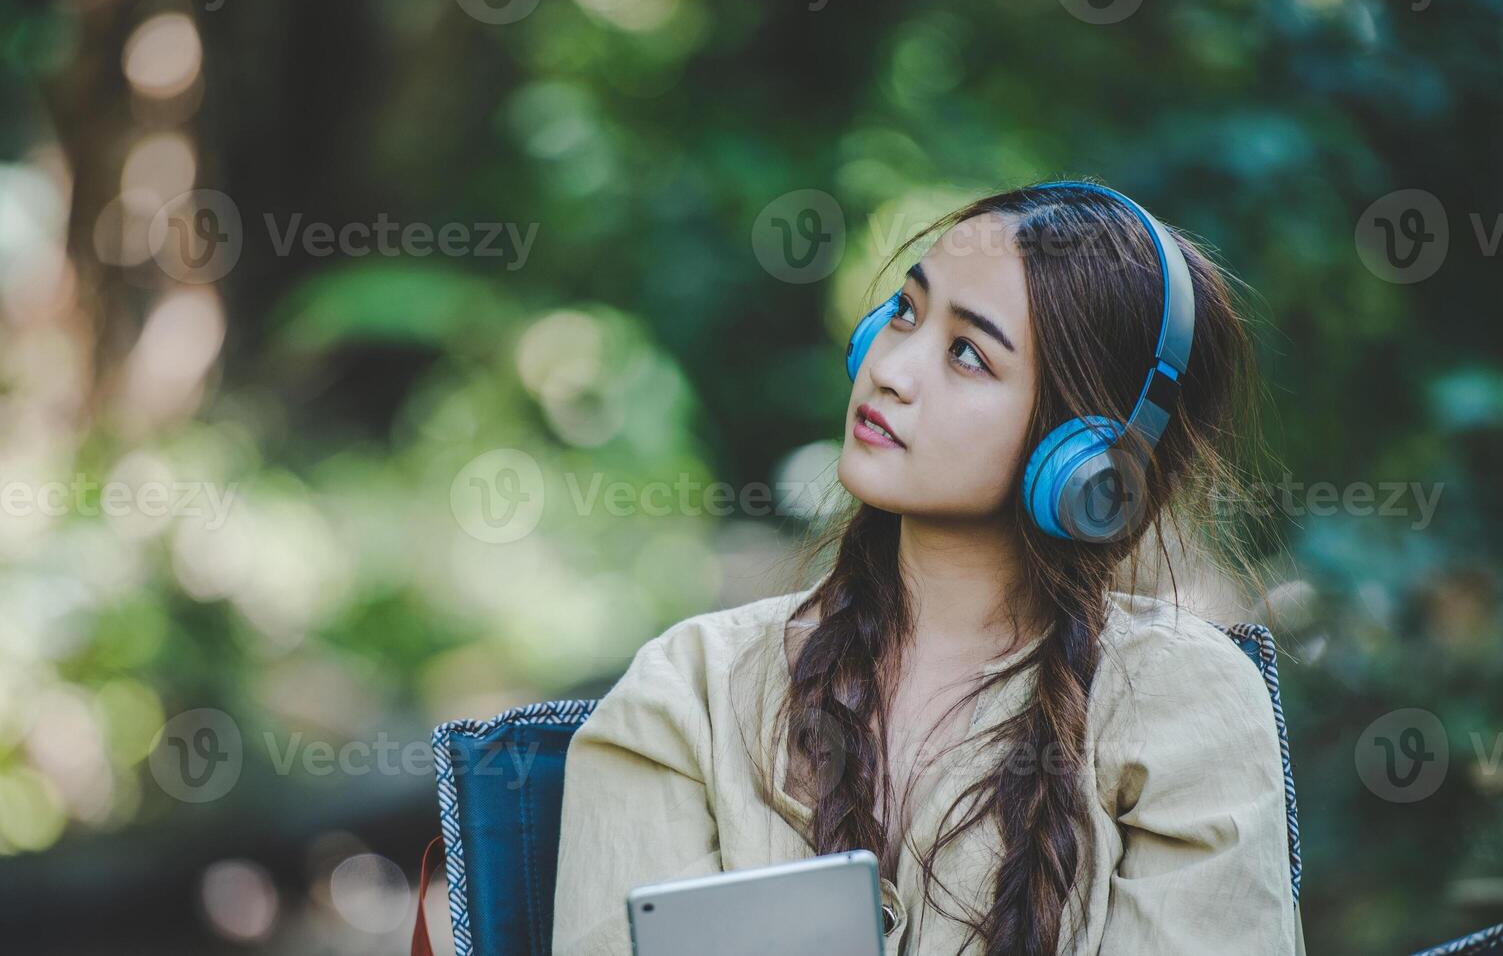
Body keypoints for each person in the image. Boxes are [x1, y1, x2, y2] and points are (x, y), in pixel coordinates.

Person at [550, 181, 1304, 955]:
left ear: (1089, 463)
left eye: (968, 354)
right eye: (905, 312)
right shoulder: (684, 696)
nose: (891, 368)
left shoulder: (1185, 701)